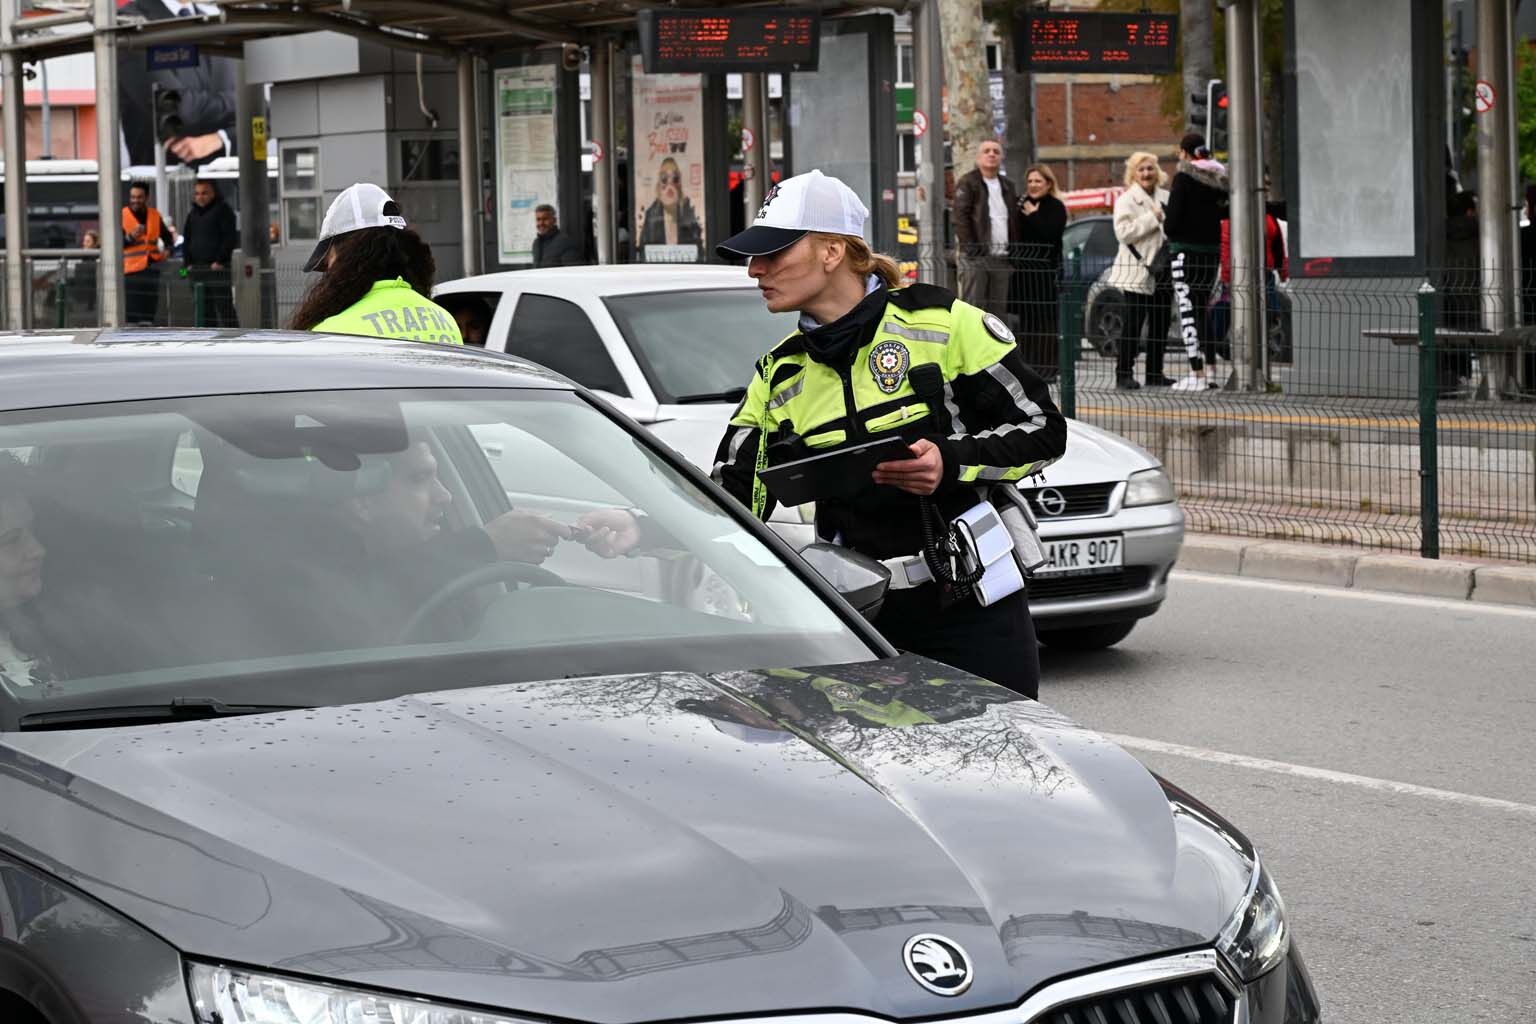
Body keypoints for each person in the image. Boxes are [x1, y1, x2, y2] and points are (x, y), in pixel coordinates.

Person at [709, 170, 1068, 699]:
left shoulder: (943, 323)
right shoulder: (778, 374)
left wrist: (949, 462)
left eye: (774, 253)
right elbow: (730, 497)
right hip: (859, 619)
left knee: (998, 754)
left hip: (973, 609)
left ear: (832, 251)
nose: (754, 270)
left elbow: (1044, 431)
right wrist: (640, 525)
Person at [288, 183, 463, 343]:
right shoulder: (445, 321)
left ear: (347, 258)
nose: (328, 273)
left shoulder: (329, 335)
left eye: (328, 262)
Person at [117, 0, 238, 168]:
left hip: (230, 181)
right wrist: (237, 103)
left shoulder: (218, 24)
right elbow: (176, 109)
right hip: (165, 179)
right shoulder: (131, 22)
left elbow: (260, 115)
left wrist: (220, 139)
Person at [1163, 132, 1230, 391]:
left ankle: (1196, 372)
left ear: (1184, 153)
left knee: (1188, 310)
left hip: (1184, 252)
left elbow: (1172, 223)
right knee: (1203, 309)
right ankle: (1211, 369)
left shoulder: (1183, 177)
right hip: (1210, 253)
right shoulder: (1218, 179)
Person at [1109, 152, 1173, 389]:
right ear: (1133, 174)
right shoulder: (1126, 200)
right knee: (1133, 325)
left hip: (1164, 269)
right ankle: (1123, 373)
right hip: (1137, 270)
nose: (1146, 173)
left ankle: (1155, 373)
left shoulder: (1167, 197)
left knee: (1160, 323)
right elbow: (1122, 233)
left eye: (1150, 168)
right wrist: (1152, 218)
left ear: (1157, 172)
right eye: (1141, 169)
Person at [952, 139, 1019, 323]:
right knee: (972, 309)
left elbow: (1014, 219)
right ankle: (968, 342)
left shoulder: (1008, 186)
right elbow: (960, 217)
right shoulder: (968, 182)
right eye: (987, 151)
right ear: (978, 158)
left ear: (1002, 157)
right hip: (976, 258)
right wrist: (972, 249)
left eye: (996, 151)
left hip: (1002, 257)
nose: (991, 154)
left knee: (998, 313)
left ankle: (994, 344)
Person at [1015, 164, 1068, 376]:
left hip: (1046, 273)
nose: (1033, 185)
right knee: (1027, 323)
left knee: (1046, 322)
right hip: (1024, 274)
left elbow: (1051, 234)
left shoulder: (1056, 206)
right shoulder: (1021, 204)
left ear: (1048, 184)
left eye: (1038, 181)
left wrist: (1034, 216)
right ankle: (1029, 368)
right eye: (1030, 181)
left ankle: (1048, 369)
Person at [182, 179, 239, 327]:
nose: (200, 197)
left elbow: (229, 238)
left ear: (213, 194)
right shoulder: (192, 214)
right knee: (203, 308)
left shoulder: (223, 211)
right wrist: (187, 265)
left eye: (204, 193)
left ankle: (233, 336)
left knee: (224, 307)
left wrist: (220, 261)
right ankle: (207, 337)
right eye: (197, 194)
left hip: (217, 270)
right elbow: (186, 240)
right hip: (197, 269)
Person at [1440, 189, 1480, 397]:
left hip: (1451, 307)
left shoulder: (1442, 235)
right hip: (1480, 306)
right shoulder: (1481, 235)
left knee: (1455, 345)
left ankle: (1460, 379)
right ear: (1470, 212)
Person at [122, 182, 174, 325]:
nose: (135, 200)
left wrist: (168, 250)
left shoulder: (154, 215)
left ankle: (148, 331)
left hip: (151, 268)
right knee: (132, 313)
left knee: (148, 312)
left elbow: (168, 238)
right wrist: (130, 237)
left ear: (146, 198)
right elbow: (114, 243)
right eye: (133, 197)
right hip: (130, 271)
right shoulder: (122, 215)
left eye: (139, 197)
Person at [638, 157, 703, 258]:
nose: (670, 185)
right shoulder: (651, 216)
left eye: (675, 179)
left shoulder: (688, 214)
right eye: (664, 179)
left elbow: (698, 251)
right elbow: (644, 253)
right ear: (658, 187)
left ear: (679, 186)